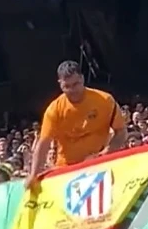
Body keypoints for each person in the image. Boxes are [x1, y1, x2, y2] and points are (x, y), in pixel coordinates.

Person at [25, 60, 126, 189]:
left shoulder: (105, 100)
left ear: (82, 79)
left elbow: (121, 132)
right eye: (67, 86)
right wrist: (33, 174)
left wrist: (104, 154)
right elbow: (44, 143)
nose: (73, 90)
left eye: (76, 84)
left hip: (99, 165)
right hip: (67, 170)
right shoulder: (54, 109)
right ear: (60, 84)